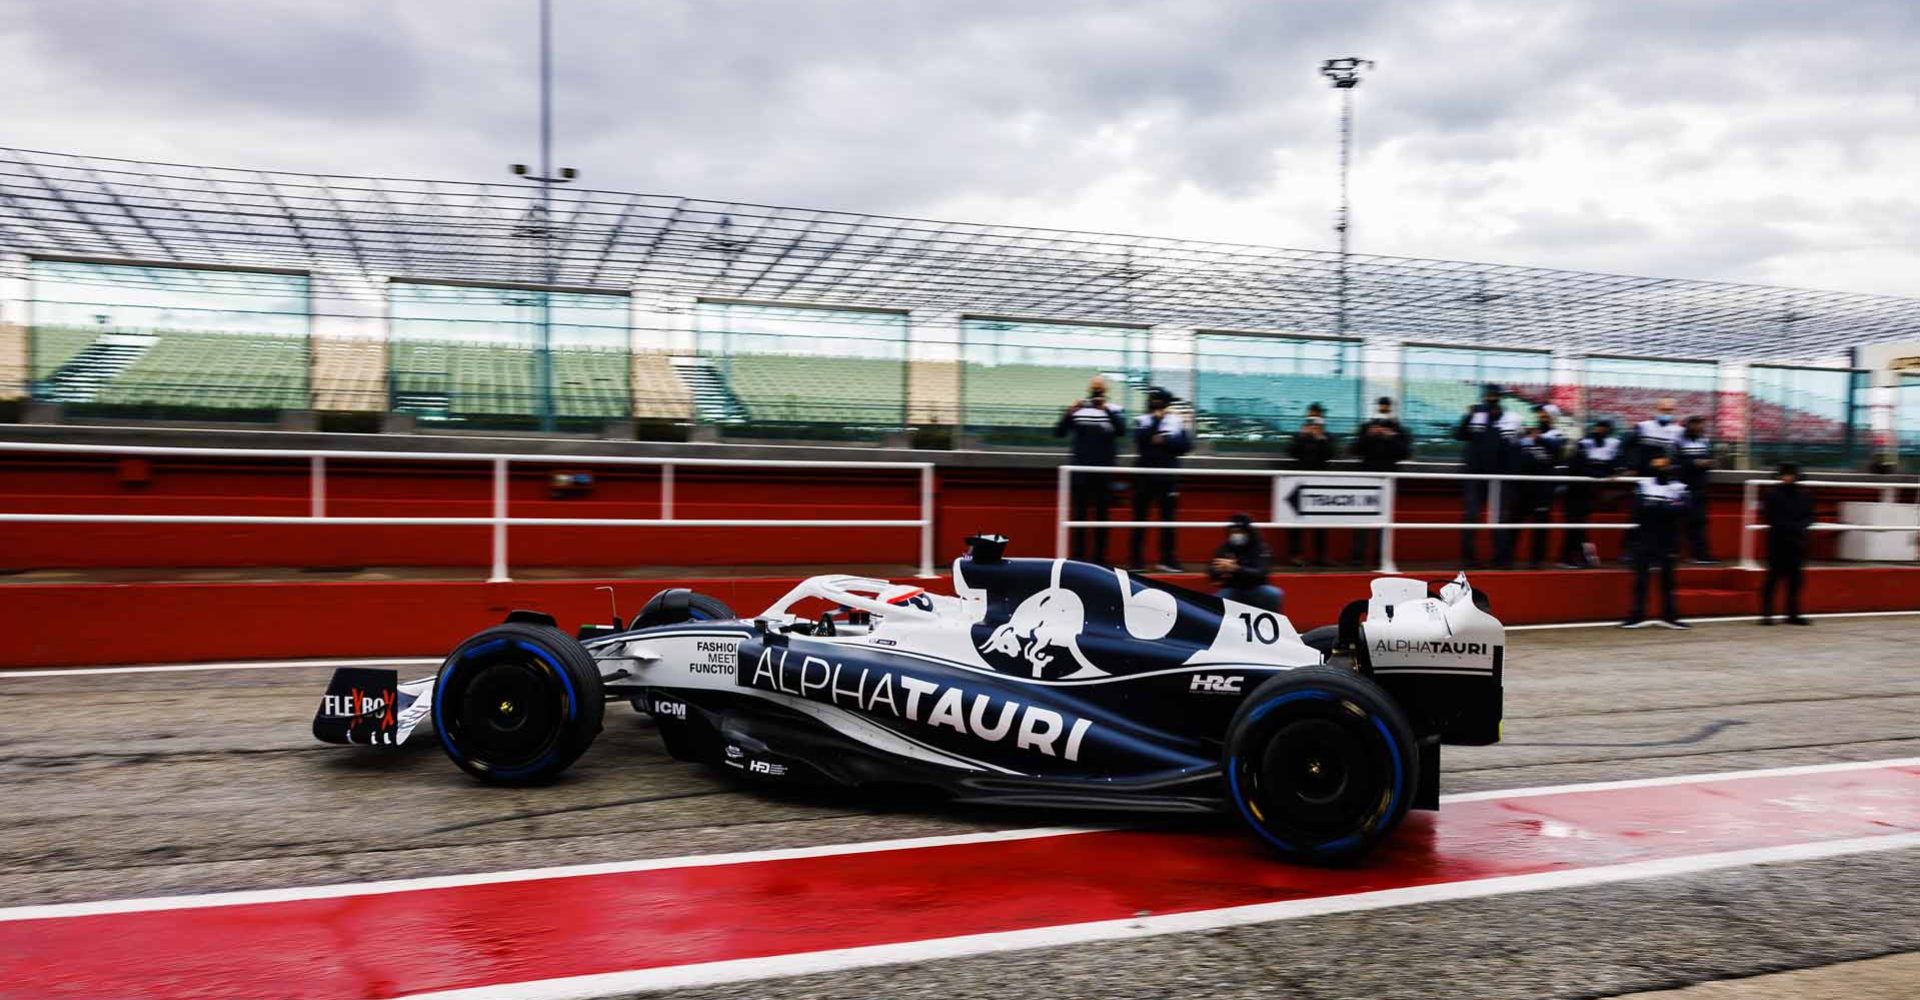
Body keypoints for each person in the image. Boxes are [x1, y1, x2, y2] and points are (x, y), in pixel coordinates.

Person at [1055, 376, 1126, 565]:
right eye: (1095, 389)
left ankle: (1100, 559)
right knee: (1079, 516)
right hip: (1080, 472)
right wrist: (1069, 412)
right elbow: (1059, 432)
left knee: (1102, 517)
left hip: (1103, 472)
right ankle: (1078, 558)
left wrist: (1106, 410)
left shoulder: (1115, 410)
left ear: (1106, 391)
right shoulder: (1079, 410)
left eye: (1100, 389)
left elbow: (1122, 431)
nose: (1097, 393)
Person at [1622, 454, 1690, 629]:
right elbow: (1637, 508)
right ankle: (1637, 615)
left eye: (1665, 467)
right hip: (1645, 536)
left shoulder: (1680, 488)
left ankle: (1670, 616)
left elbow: (1684, 509)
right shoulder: (1643, 485)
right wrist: (1665, 508)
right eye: (1659, 466)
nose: (1663, 470)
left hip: (1668, 538)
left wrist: (1654, 507)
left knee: (1668, 580)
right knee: (1641, 579)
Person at [1455, 384, 1519, 568]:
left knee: (1499, 517)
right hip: (1474, 475)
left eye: (1494, 395)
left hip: (1499, 476)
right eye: (1488, 395)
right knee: (1471, 515)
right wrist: (1469, 416)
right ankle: (1469, 559)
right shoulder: (1474, 415)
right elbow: (1459, 435)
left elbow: (1513, 449)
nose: (1491, 398)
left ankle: (1501, 559)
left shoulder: (1510, 418)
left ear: (1500, 397)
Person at [1129, 387, 1190, 573]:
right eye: (1152, 401)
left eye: (1158, 401)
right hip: (1144, 477)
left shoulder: (1176, 421)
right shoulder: (1142, 420)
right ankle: (1136, 561)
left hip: (1168, 478)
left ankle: (1167, 559)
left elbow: (1185, 445)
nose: (1155, 404)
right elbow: (1141, 441)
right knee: (1140, 520)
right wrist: (1156, 422)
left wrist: (1163, 441)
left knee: (1168, 521)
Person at [1351, 395, 1411, 567]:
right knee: (1361, 519)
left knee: (1384, 521)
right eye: (1381, 406)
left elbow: (1405, 452)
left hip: (1388, 479)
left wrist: (1390, 436)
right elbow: (1354, 449)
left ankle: (1379, 557)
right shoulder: (1366, 427)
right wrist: (1369, 435)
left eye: (1386, 406)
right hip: (1366, 477)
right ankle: (1358, 557)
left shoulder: (1399, 429)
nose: (1384, 409)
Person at [1760, 462, 1815, 626]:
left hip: (1797, 541)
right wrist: (1792, 527)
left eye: (1791, 474)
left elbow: (1810, 517)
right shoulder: (1772, 494)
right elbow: (1770, 517)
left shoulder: (1805, 495)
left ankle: (1793, 613)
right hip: (1778, 540)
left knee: (1795, 580)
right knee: (1773, 578)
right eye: (1785, 474)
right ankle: (1767, 614)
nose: (1788, 477)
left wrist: (1799, 527)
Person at [1562, 419, 1623, 567]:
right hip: (1575, 490)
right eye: (1599, 427)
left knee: (1578, 525)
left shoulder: (1610, 447)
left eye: (1604, 428)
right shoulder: (1584, 444)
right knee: (1574, 524)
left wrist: (1609, 473)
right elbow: (1579, 467)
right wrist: (1603, 475)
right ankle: (1570, 557)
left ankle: (1572, 557)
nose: (1600, 430)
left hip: (1588, 492)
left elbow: (1611, 467)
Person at [1514, 409, 1568, 568]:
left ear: (1552, 417)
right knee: (1513, 520)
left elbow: (1557, 451)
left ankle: (1536, 560)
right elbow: (1519, 452)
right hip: (1524, 485)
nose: (1541, 416)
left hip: (1543, 488)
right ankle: (1505, 558)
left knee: (1540, 525)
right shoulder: (1530, 434)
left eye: (1545, 414)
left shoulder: (1557, 434)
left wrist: (1538, 437)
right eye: (1540, 414)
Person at [1286, 407, 1336, 567]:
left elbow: (1331, 455)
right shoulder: (1300, 435)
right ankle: (1295, 554)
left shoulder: (1327, 437)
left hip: (1320, 482)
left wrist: (1320, 438)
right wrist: (1303, 436)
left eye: (1318, 418)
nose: (1314, 421)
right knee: (1296, 520)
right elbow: (1291, 452)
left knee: (1321, 521)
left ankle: (1320, 556)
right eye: (1311, 417)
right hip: (1299, 482)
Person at [1209, 513, 1283, 611]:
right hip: (1233, 588)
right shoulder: (1226, 547)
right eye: (1233, 532)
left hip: (1256, 588)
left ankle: (1273, 623)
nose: (1236, 535)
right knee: (1215, 601)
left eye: (1239, 531)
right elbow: (1211, 572)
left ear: (1248, 532)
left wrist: (1236, 568)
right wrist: (1218, 569)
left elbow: (1261, 572)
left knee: (1274, 594)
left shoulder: (1261, 547)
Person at [1674, 415, 1718, 564]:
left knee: (1699, 522)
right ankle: (1672, 553)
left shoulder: (1705, 441)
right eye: (1697, 425)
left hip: (1700, 487)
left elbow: (1711, 458)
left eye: (1701, 425)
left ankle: (1700, 555)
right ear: (1688, 426)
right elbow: (1674, 463)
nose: (1700, 428)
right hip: (1681, 487)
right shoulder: (1677, 441)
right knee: (1675, 522)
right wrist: (1694, 463)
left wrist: (1708, 462)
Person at [1632, 398, 1684, 473]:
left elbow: (1677, 453)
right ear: (1656, 410)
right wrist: (1633, 466)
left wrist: (1668, 463)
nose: (1666, 412)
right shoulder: (1643, 426)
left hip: (1665, 470)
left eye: (1669, 410)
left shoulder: (1679, 430)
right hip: (1643, 467)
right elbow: (1633, 448)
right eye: (1663, 410)